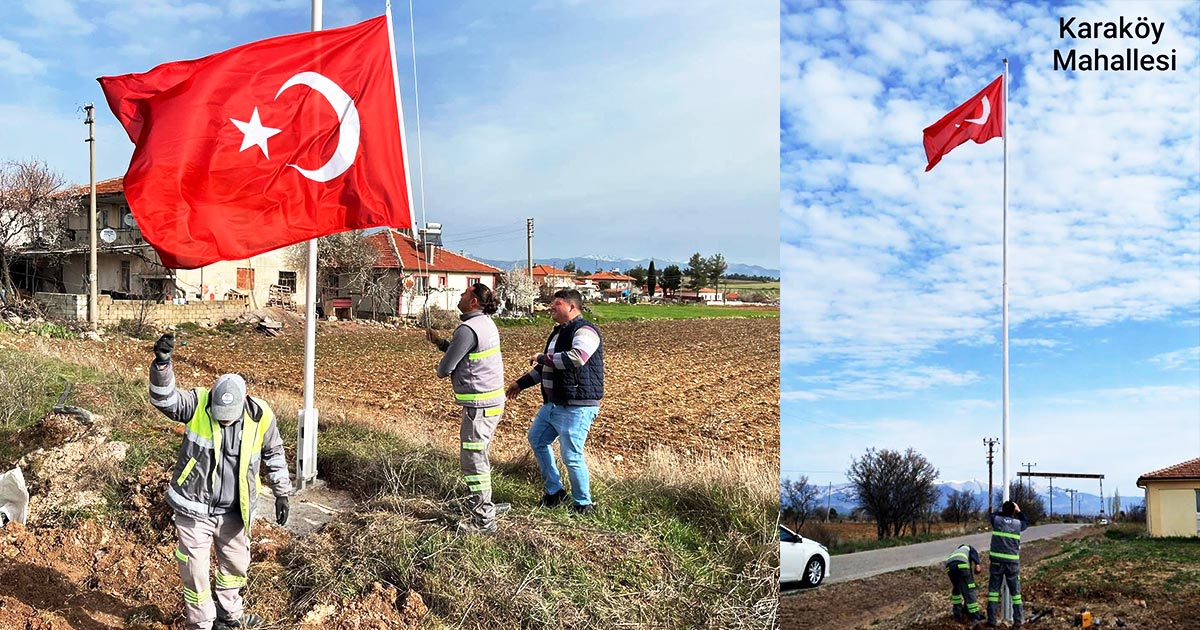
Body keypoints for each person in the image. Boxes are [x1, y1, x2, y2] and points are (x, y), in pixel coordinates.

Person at [148, 332, 291, 630]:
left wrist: (282, 492)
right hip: (194, 507)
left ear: (243, 403)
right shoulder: (198, 403)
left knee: (235, 565)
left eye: (229, 417)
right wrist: (162, 365)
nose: (223, 420)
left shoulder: (261, 415)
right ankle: (202, 623)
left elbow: (274, 452)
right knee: (195, 570)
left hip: (235, 511)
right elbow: (165, 400)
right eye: (219, 415)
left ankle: (230, 615)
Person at [506, 289, 604, 515]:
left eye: (557, 303)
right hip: (554, 403)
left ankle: (583, 504)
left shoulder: (585, 330)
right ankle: (555, 492)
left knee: (571, 456)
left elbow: (577, 357)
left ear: (571, 307)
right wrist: (521, 384)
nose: (551, 306)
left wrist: (541, 357)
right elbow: (546, 367)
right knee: (537, 439)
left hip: (576, 405)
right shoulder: (558, 333)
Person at [426, 283, 510, 534]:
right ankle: (482, 503)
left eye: (464, 294)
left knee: (473, 461)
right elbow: (465, 351)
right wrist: (441, 342)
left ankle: (484, 519)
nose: (460, 296)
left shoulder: (467, 329)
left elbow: (445, 369)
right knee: (479, 457)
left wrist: (443, 361)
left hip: (479, 407)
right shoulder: (485, 323)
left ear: (473, 302)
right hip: (491, 403)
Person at [987, 500, 1029, 627]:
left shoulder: (996, 520)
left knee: (993, 592)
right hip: (1012, 563)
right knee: (1015, 593)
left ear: (1003, 510)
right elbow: (1026, 522)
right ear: (1013, 511)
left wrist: (1002, 511)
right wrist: (1019, 511)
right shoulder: (1018, 524)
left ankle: (991, 620)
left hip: (996, 562)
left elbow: (992, 515)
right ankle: (1018, 620)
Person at [945, 543, 985, 622]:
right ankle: (974, 615)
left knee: (956, 588)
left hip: (949, 567)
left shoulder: (957, 551)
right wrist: (977, 564)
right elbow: (975, 566)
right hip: (961, 564)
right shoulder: (969, 548)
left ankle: (957, 612)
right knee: (969, 588)